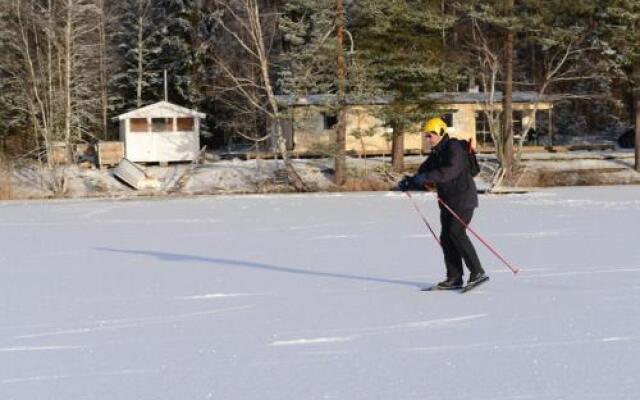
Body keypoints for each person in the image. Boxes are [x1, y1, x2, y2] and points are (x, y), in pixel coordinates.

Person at [398, 117, 487, 290]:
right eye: (426, 135)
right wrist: (410, 182)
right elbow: (424, 172)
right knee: (446, 237)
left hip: (463, 199)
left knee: (456, 232)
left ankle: (477, 272)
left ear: (440, 133)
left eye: (430, 135)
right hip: (447, 200)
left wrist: (425, 177)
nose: (427, 139)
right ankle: (454, 277)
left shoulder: (454, 148)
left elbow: (448, 172)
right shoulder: (437, 152)